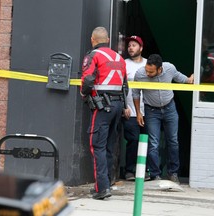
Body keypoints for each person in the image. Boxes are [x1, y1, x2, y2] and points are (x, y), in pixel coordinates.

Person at [80, 27, 128, 200]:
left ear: (93, 39)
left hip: (102, 107)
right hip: (117, 105)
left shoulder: (93, 56)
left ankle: (102, 188)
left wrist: (84, 93)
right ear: (107, 39)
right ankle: (105, 183)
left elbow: (88, 79)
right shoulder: (119, 58)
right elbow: (125, 86)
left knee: (97, 146)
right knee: (108, 146)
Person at [132, 54, 194, 183]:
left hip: (169, 108)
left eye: (151, 71)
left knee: (173, 141)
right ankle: (155, 174)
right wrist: (138, 113)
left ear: (160, 69)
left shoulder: (169, 68)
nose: (147, 73)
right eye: (147, 70)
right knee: (153, 143)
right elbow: (136, 93)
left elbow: (180, 78)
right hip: (151, 111)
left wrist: (190, 79)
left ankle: (173, 173)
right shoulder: (140, 74)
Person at [122, 35, 149, 181]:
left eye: (134, 45)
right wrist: (123, 107)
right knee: (133, 141)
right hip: (130, 110)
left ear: (141, 48)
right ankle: (130, 171)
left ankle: (146, 171)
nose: (130, 48)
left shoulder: (148, 64)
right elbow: (120, 86)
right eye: (129, 45)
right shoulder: (123, 64)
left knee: (148, 141)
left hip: (148, 110)